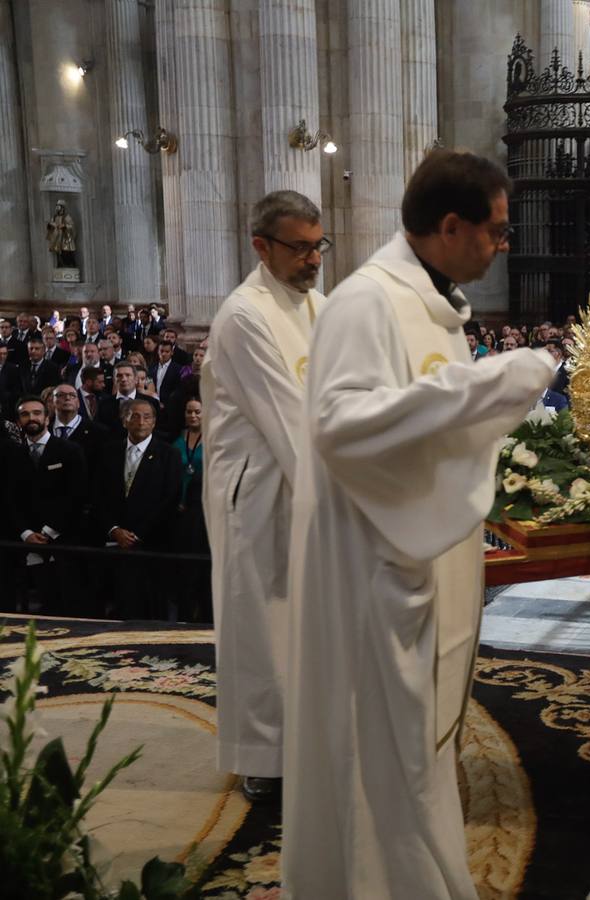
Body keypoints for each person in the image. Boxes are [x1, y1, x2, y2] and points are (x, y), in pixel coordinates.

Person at [284, 150, 556, 899]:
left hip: (415, 563)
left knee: (417, 746)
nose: (503, 244)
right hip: (371, 569)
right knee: (384, 746)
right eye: (495, 230)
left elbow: (427, 423)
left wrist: (480, 402)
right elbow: (338, 425)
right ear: (448, 226)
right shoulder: (367, 302)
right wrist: (482, 389)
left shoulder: (428, 300)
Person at [201, 190, 330, 804]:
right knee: (259, 620)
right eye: (300, 248)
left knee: (306, 621)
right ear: (261, 246)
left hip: (304, 480)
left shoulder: (317, 306)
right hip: (255, 491)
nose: (313, 260)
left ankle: (306, 742)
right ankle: (262, 759)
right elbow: (290, 421)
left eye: (318, 245)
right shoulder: (244, 315)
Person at [92, 398, 182, 619]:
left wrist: (137, 534)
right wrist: (114, 529)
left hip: (151, 544)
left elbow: (170, 498)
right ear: (124, 421)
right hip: (114, 543)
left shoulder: (169, 454)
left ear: (154, 422)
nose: (140, 421)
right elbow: (97, 494)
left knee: (151, 607)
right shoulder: (108, 451)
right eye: (134, 416)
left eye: (147, 416)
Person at [1, 396, 88, 615]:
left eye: (37, 413)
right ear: (18, 421)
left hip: (62, 541)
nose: (32, 418)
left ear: (47, 418)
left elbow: (76, 496)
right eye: (25, 414)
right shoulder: (10, 454)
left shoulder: (70, 450)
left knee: (62, 607)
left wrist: (49, 531)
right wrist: (25, 532)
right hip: (21, 542)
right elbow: (7, 497)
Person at [172, 398, 210, 623]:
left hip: (201, 509)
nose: (193, 416)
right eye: (189, 412)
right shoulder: (178, 439)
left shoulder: (214, 439)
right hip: (178, 507)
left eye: (197, 411)